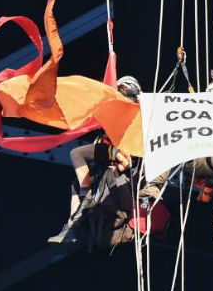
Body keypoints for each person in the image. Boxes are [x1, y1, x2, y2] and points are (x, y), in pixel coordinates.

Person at [48, 75, 143, 244]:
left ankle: (84, 203)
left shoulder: (138, 116)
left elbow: (134, 155)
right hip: (110, 155)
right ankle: (74, 222)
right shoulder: (115, 111)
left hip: (122, 162)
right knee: (77, 176)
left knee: (78, 155)